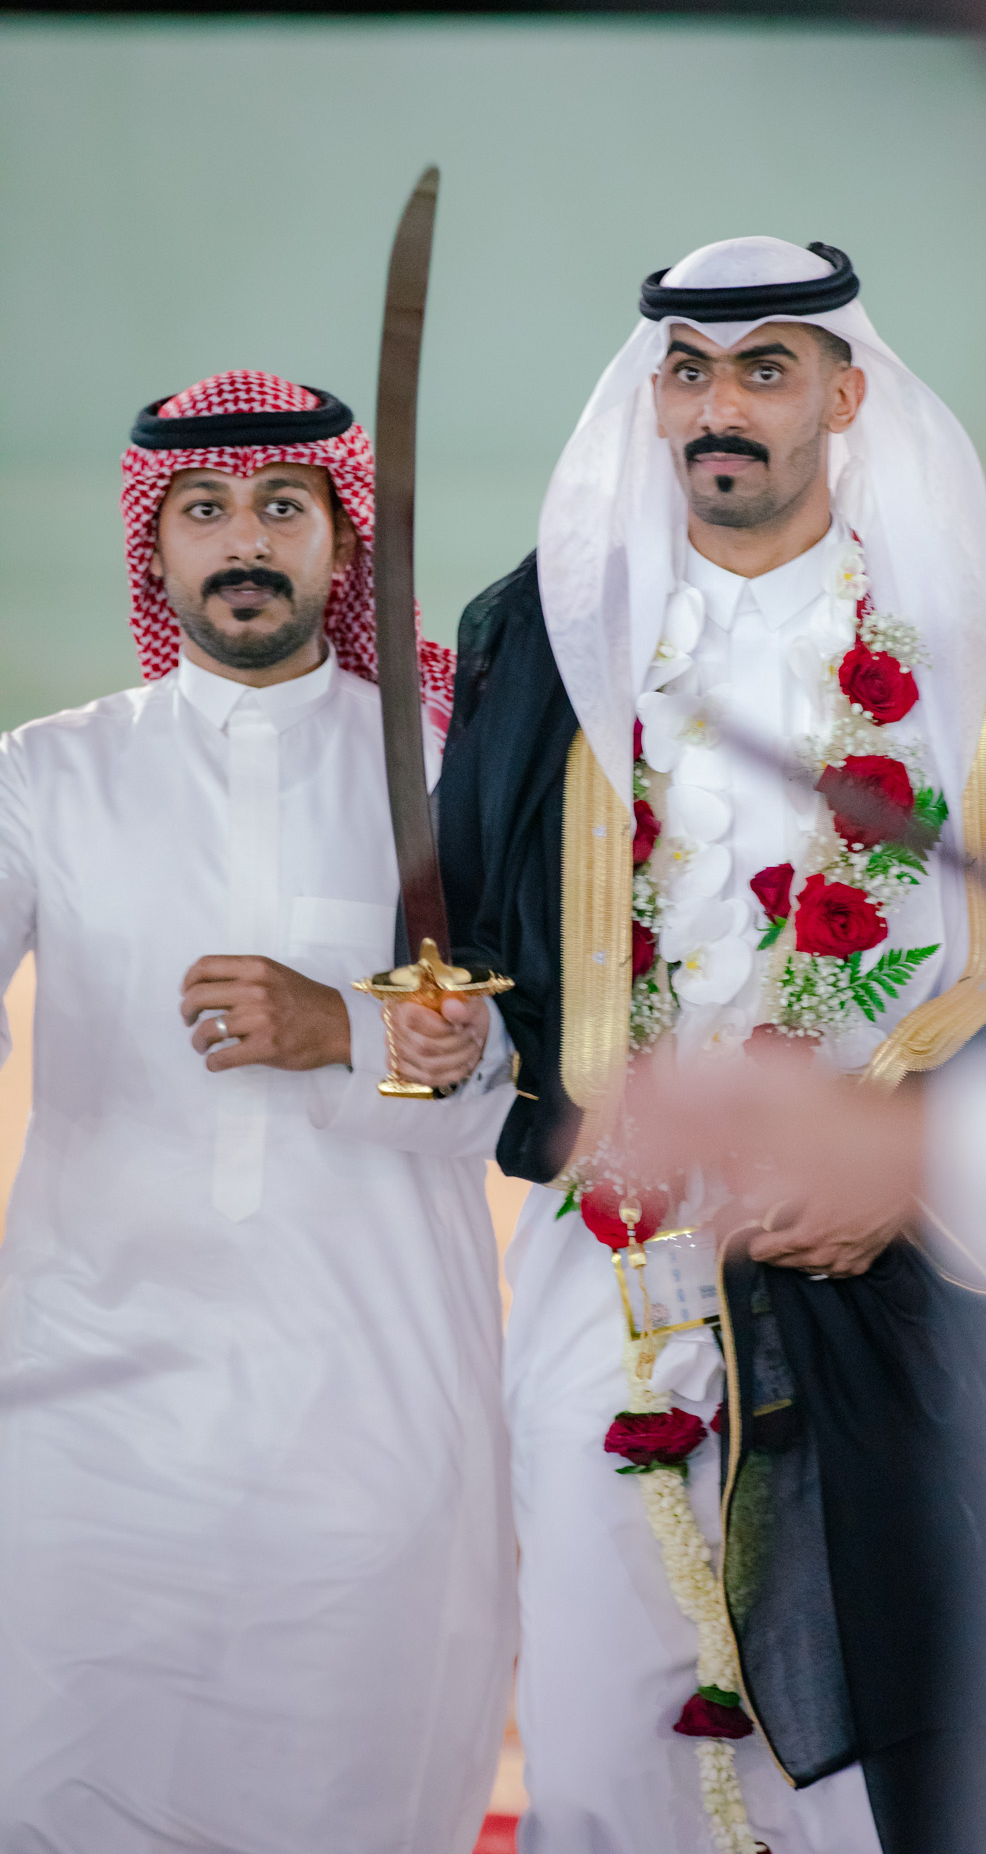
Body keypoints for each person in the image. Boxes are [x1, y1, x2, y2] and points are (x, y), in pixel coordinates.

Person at [392, 238, 986, 1854]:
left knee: (878, 1739)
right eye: (690, 373)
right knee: (599, 1726)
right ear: (653, 401)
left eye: (766, 370)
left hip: (895, 1259)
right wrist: (455, 1033)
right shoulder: (549, 640)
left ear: (843, 397)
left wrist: (910, 1176)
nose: (721, 407)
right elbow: (479, 939)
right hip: (614, 1260)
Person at [0, 370, 516, 1854]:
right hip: (86, 1411)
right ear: (152, 548)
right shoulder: (49, 773)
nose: (245, 540)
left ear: (342, 541)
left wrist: (344, 1027)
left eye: (283, 507)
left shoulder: (445, 770)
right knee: (53, 1787)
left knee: (344, 1799)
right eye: (205, 511)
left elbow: (531, 1078)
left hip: (366, 1411)